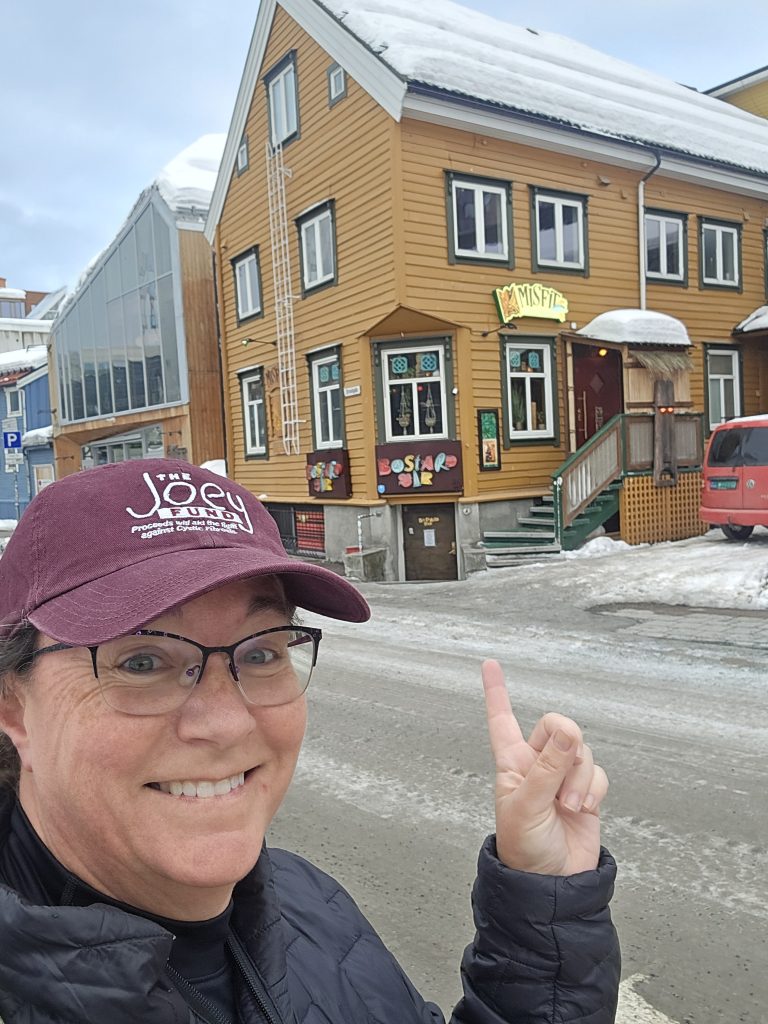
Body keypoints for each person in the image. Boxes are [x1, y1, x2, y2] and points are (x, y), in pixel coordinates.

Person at [0, 459, 619, 1023]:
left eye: (261, 652)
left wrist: (542, 914)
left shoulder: (306, 903)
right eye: (141, 662)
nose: (228, 723)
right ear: (14, 707)